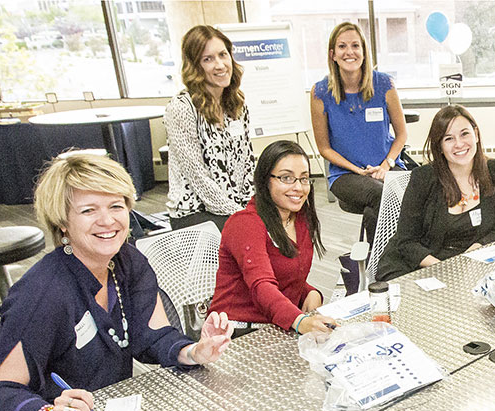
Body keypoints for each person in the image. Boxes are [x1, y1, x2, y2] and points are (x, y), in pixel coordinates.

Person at [0, 153, 233, 411]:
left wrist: (194, 351)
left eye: (116, 206)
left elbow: (153, 335)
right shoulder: (43, 292)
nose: (107, 221)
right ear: (62, 223)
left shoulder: (129, 262)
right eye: (88, 210)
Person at [210, 141, 338, 336]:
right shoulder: (245, 223)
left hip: (278, 324)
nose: (298, 187)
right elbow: (261, 285)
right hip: (236, 331)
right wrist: (301, 321)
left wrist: (309, 293)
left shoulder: (300, 218)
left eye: (304, 179)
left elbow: (287, 276)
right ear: (265, 180)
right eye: (286, 178)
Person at [377, 106, 495, 281]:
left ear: (476, 134)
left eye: (464, 134)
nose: (459, 144)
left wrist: (473, 252)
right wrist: (446, 270)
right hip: (416, 265)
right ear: (439, 146)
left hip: (469, 267)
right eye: (448, 138)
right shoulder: (423, 178)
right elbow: (406, 242)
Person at [311, 22, 408, 244]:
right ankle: (392, 261)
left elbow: (402, 134)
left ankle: (379, 266)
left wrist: (386, 166)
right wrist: (357, 170)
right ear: (332, 54)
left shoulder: (384, 84)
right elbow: (324, 148)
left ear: (364, 52)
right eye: (342, 46)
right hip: (346, 175)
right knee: (382, 195)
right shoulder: (320, 92)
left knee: (378, 209)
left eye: (355, 45)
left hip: (388, 169)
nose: (349, 52)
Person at [165, 25, 255, 231]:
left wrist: (253, 208)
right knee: (252, 236)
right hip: (196, 211)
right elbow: (198, 177)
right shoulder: (181, 109)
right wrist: (239, 214)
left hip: (235, 207)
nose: (220, 65)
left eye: (223, 55)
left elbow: (247, 164)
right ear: (195, 66)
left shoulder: (237, 104)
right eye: (208, 59)